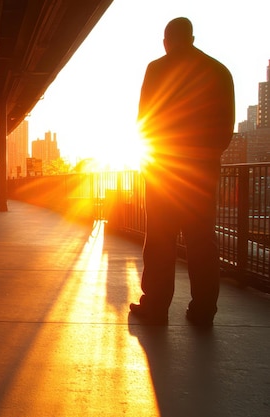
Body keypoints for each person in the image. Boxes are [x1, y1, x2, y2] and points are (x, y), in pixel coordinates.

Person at [129, 17, 235, 326]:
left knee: (160, 239)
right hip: (202, 172)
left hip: (164, 168)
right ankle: (203, 311)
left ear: (166, 42)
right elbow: (225, 128)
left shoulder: (157, 68)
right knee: (202, 241)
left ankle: (156, 308)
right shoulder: (219, 71)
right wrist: (205, 158)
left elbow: (144, 121)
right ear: (192, 37)